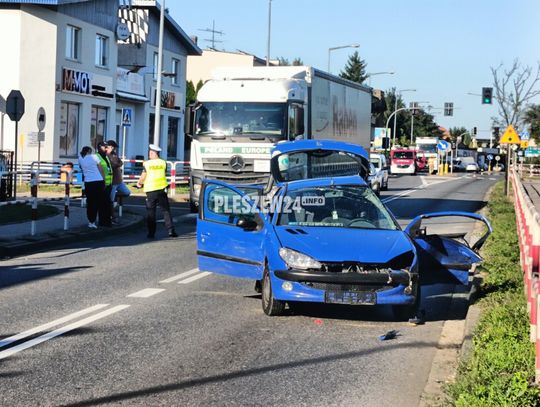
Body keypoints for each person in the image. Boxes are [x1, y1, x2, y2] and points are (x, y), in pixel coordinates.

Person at [136, 144, 178, 238]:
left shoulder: (147, 163)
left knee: (151, 213)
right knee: (166, 211)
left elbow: (143, 176)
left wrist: (139, 184)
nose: (149, 154)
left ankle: (151, 233)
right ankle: (171, 231)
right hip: (161, 190)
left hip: (151, 191)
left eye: (150, 153)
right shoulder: (163, 162)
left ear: (153, 153)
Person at [78, 146, 105, 229]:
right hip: (98, 181)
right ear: (90, 151)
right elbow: (100, 168)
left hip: (88, 182)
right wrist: (104, 179)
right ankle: (95, 220)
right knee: (97, 202)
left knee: (90, 202)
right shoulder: (94, 157)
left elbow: (81, 169)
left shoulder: (80, 158)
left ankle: (91, 221)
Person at [105, 140, 131, 212]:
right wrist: (116, 164)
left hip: (119, 180)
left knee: (127, 192)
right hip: (112, 181)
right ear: (110, 147)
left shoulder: (114, 154)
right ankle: (111, 214)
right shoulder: (105, 156)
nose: (115, 149)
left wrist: (117, 164)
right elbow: (112, 165)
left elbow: (120, 163)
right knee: (111, 200)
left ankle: (116, 198)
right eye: (114, 147)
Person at [96, 141, 113, 227]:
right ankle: (102, 222)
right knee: (102, 204)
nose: (106, 149)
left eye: (107, 147)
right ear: (99, 147)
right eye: (104, 147)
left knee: (107, 203)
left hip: (108, 184)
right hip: (101, 184)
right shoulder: (96, 157)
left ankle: (107, 221)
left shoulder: (105, 156)